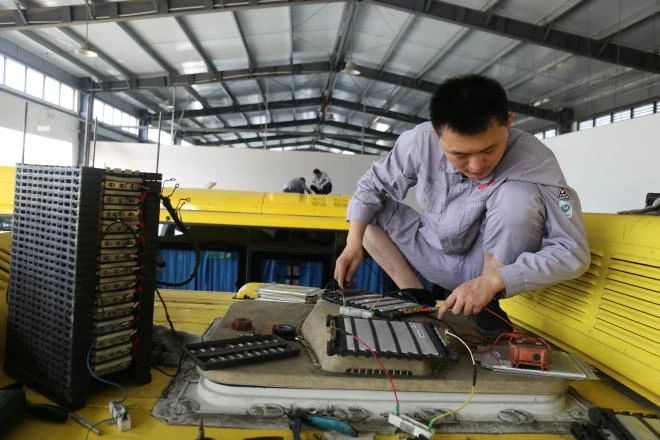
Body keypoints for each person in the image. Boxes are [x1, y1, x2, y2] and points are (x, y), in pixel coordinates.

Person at [334, 74, 590, 338]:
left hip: (489, 268)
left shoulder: (537, 161)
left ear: (508, 123)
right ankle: (414, 295)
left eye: (489, 150)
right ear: (436, 134)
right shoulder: (418, 142)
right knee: (366, 212)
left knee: (519, 196)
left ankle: (487, 306)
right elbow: (369, 188)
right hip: (432, 252)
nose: (476, 166)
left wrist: (494, 280)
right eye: (460, 155)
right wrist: (353, 244)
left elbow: (572, 251)